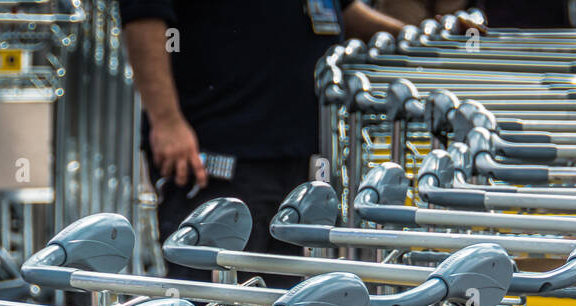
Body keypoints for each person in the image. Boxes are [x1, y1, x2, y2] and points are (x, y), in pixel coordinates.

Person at [120, 1, 410, 280]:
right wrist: (167, 121)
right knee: (213, 305)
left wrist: (412, 33)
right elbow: (145, 18)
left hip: (300, 163)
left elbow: (342, 10)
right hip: (218, 159)